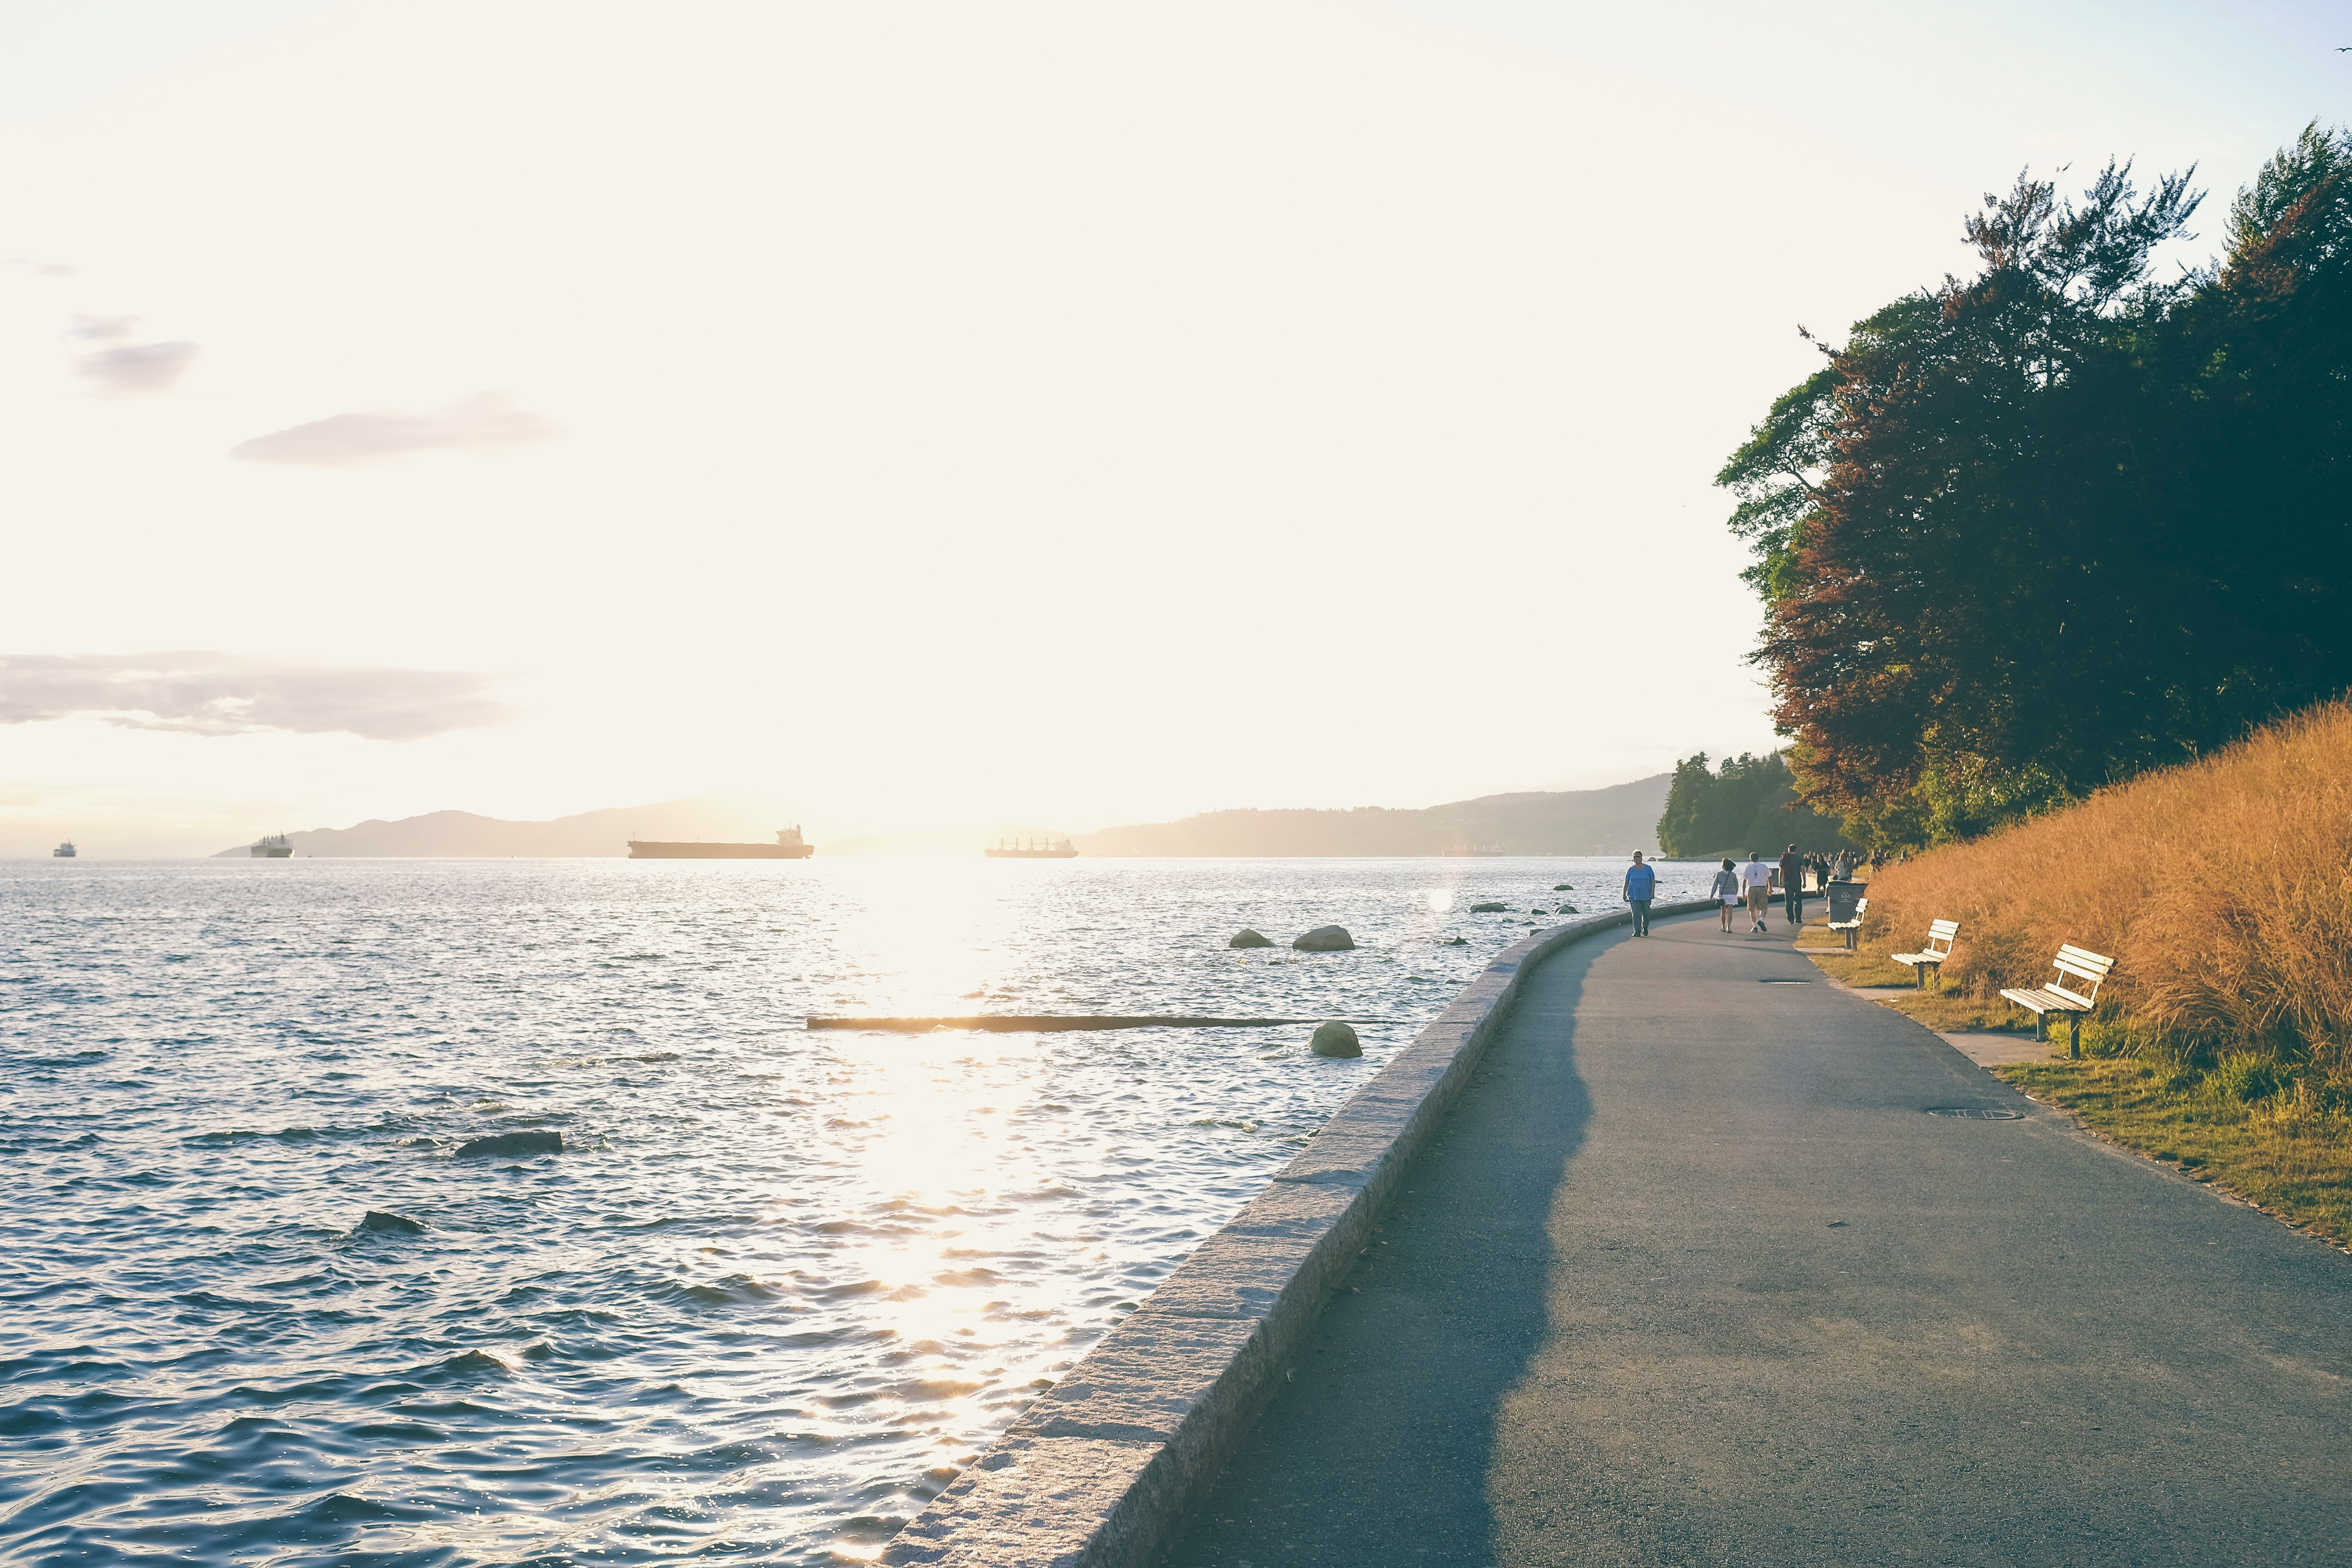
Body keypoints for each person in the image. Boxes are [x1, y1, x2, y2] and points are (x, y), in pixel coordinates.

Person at [1623, 851, 1657, 936]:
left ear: (1641, 858)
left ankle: (1645, 926)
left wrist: (1652, 892)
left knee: (1646, 913)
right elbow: (1626, 882)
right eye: (1634, 857)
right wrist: (1624, 894)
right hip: (1634, 895)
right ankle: (1637, 931)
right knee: (1636, 913)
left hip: (1646, 895)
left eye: (1637, 857)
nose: (1636, 859)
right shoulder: (1631, 870)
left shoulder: (1648, 869)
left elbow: (1652, 881)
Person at [1741, 850, 1773, 933]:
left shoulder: (1748, 868)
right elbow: (1770, 878)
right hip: (1762, 888)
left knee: (1752, 909)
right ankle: (1761, 920)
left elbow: (1744, 881)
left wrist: (1743, 893)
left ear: (1750, 859)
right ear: (1758, 858)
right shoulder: (1764, 866)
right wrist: (1770, 888)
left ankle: (1754, 927)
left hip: (1752, 889)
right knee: (1764, 906)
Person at [1711, 857, 1741, 932]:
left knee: (1723, 911)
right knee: (1730, 912)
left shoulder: (1719, 874)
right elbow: (1736, 885)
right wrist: (1735, 893)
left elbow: (1715, 885)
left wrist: (1712, 894)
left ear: (1723, 866)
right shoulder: (1733, 875)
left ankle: (1723, 927)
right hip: (1731, 894)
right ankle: (1729, 928)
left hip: (1723, 895)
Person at [1780, 842, 1805, 928]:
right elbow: (1802, 870)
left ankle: (1791, 919)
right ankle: (1798, 918)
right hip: (1797, 881)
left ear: (1788, 850)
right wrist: (1804, 881)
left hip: (1788, 882)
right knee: (1798, 901)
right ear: (1796, 850)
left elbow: (1781, 870)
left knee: (1789, 900)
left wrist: (1781, 881)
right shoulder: (1800, 859)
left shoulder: (1785, 858)